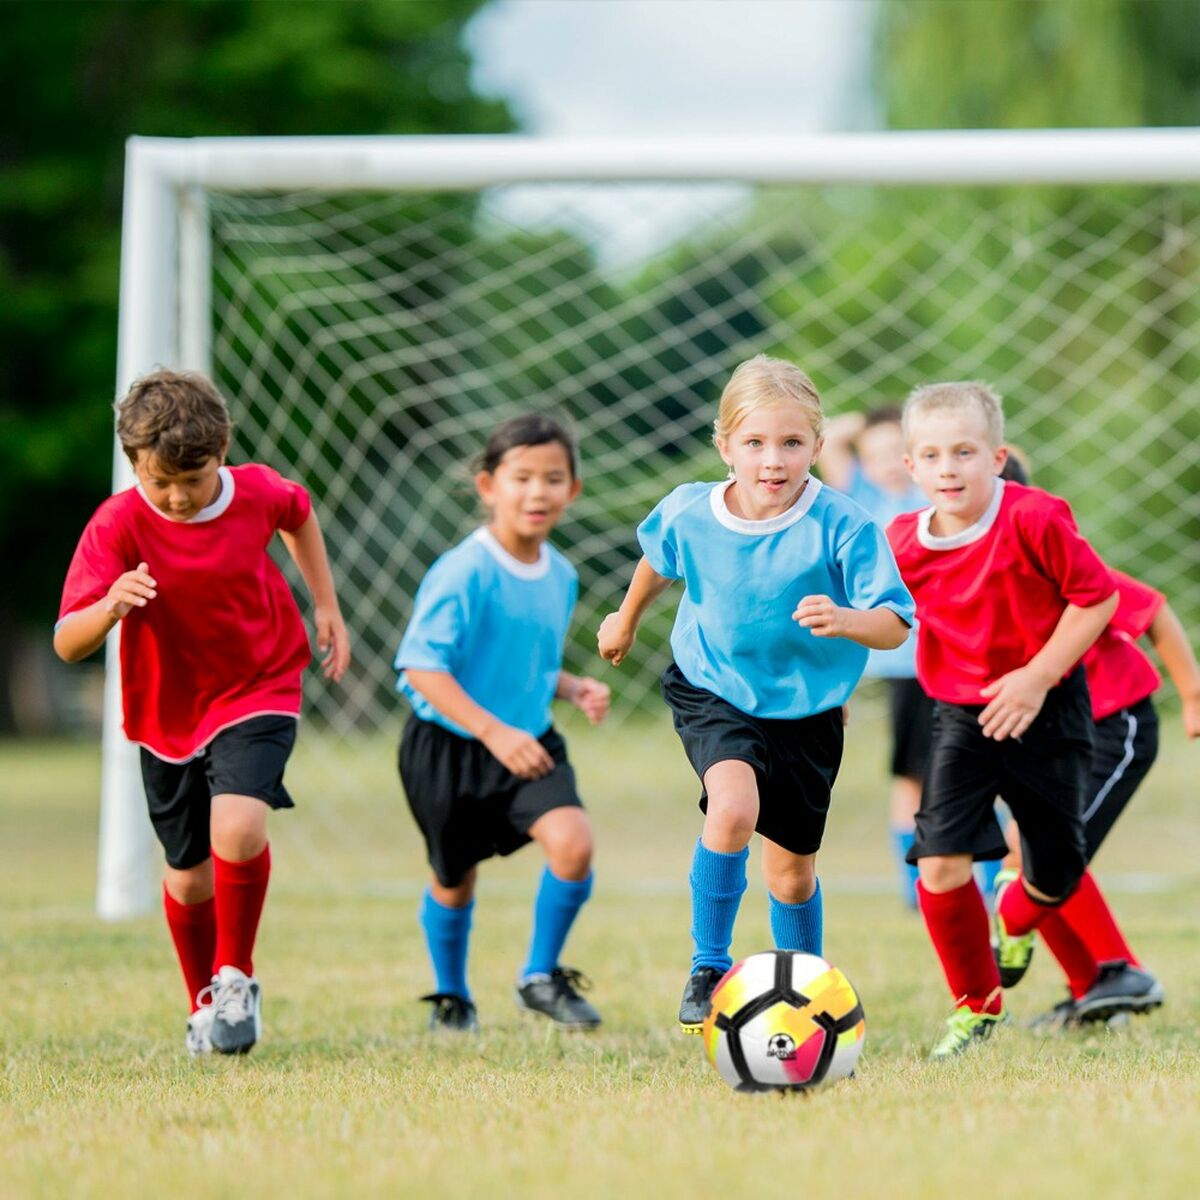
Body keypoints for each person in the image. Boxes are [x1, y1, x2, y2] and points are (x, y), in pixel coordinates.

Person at [597, 355, 914, 1033]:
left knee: (792, 874)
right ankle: (709, 965)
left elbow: (893, 624)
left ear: (819, 447)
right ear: (725, 446)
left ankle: (808, 995)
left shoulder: (846, 524)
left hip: (808, 709)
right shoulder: (692, 510)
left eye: (792, 443)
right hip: (712, 685)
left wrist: (846, 620)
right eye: (755, 443)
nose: (773, 459)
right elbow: (659, 559)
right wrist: (625, 618)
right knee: (733, 806)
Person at [54, 369, 350, 1056]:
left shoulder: (255, 492)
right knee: (188, 875)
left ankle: (236, 977)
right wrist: (109, 607)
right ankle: (202, 1004)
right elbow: (67, 643)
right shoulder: (118, 523)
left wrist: (325, 604)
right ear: (134, 465)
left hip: (261, 680)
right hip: (167, 711)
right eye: (160, 482)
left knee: (240, 827)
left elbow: (298, 512)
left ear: (223, 453)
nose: (179, 497)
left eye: (195, 478)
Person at [886, 381, 1120, 1058]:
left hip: (1049, 710)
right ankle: (975, 1006)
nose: (948, 467)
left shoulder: (1037, 518)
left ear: (997, 457)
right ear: (912, 468)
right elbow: (882, 616)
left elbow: (1096, 599)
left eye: (964, 451)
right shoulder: (902, 540)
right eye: (931, 455)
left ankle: (1015, 916)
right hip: (961, 716)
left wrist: (1037, 676)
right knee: (939, 863)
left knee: (1057, 869)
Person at [395, 414, 609, 1033]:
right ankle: (452, 996)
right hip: (449, 747)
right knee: (454, 879)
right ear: (488, 485)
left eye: (553, 478)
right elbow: (422, 669)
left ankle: (539, 976)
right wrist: (493, 732)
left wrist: (570, 687)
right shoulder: (464, 571)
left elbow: (526, 662)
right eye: (521, 478)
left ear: (574, 490)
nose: (537, 492)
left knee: (573, 843)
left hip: (528, 740)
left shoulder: (561, 574)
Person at [995, 454, 1198, 1028]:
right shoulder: (967, 573)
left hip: (1117, 725)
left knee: (1045, 853)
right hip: (1052, 734)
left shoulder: (1054, 557)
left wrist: (1192, 696)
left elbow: (1153, 609)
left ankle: (1115, 970)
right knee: (1032, 851)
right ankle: (1098, 986)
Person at [819, 408, 937, 909]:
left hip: (958, 659)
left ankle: (986, 875)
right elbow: (829, 439)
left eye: (898, 452)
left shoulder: (932, 492)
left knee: (973, 773)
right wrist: (869, 422)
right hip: (905, 664)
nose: (887, 463)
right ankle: (915, 885)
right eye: (876, 455)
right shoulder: (860, 499)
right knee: (912, 776)